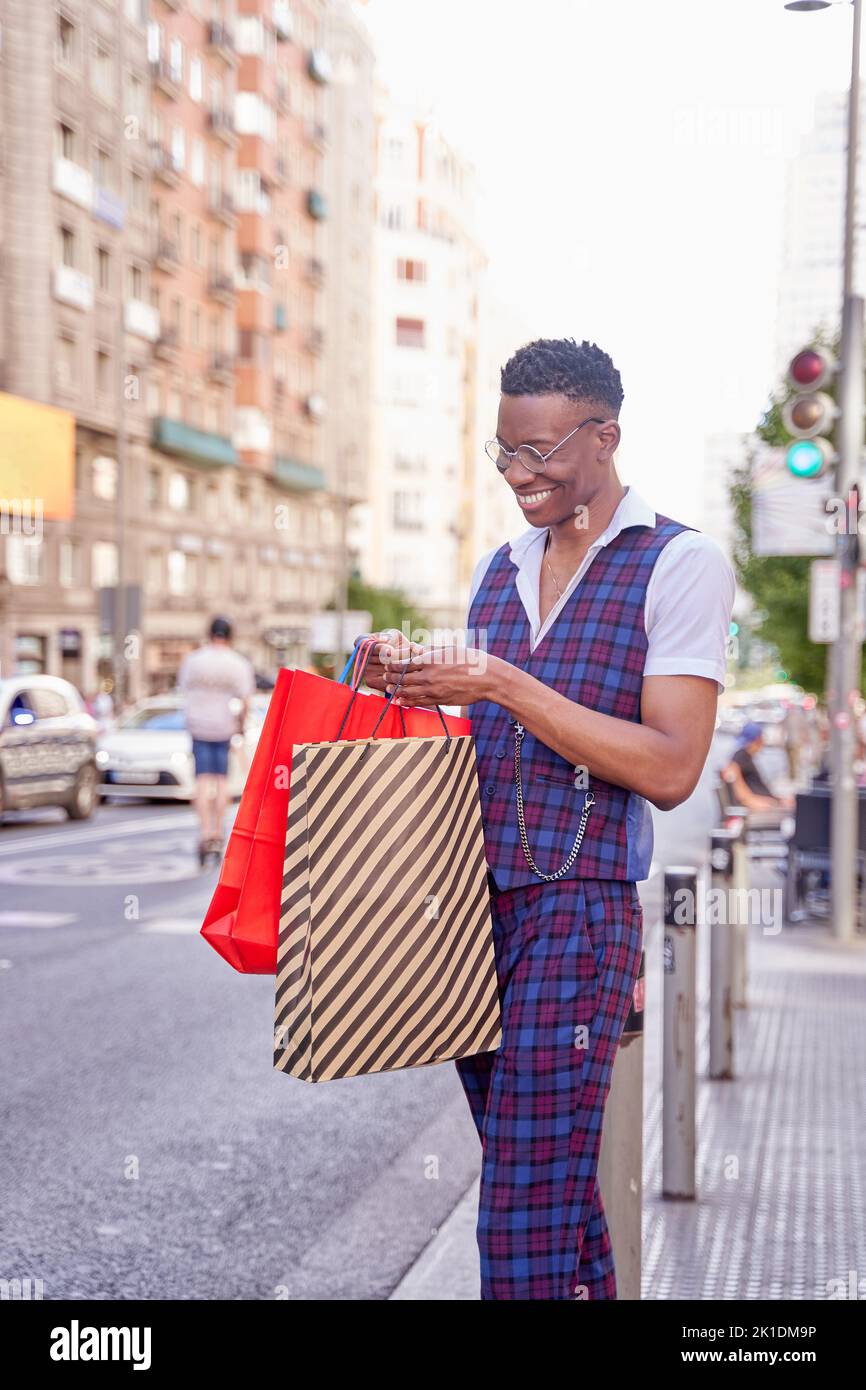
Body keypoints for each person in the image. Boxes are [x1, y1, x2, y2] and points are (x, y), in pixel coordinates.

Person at [363, 337, 735, 1300]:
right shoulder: (503, 566)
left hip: (579, 911)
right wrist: (407, 675)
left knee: (522, 1200)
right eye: (504, 453)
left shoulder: (679, 563)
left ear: (605, 437)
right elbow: (481, 733)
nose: (519, 476)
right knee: (556, 1196)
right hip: (469, 915)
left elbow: (671, 767)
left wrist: (501, 681)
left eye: (539, 452)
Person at [177, 616, 255, 863]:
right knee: (222, 782)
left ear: (209, 634)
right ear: (230, 636)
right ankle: (218, 833)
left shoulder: (194, 660)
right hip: (223, 727)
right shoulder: (237, 663)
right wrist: (240, 726)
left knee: (201, 781)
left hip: (199, 726)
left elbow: (183, 690)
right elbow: (245, 700)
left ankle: (204, 832)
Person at [721, 721, 793, 812]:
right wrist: (751, 801)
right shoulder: (741, 757)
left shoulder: (746, 756)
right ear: (758, 740)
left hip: (767, 803)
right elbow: (733, 779)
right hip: (761, 808)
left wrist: (778, 800)